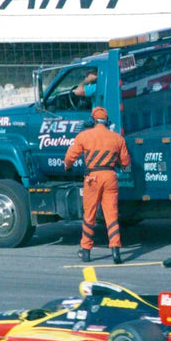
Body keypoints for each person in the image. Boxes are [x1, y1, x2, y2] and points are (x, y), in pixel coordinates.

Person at [64, 106, 130, 264]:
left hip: (92, 178)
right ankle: (115, 251)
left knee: (90, 215)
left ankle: (86, 251)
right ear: (107, 121)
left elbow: (70, 157)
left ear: (93, 120)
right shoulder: (117, 138)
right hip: (110, 177)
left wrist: (67, 166)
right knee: (111, 214)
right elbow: (126, 162)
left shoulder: (84, 136)